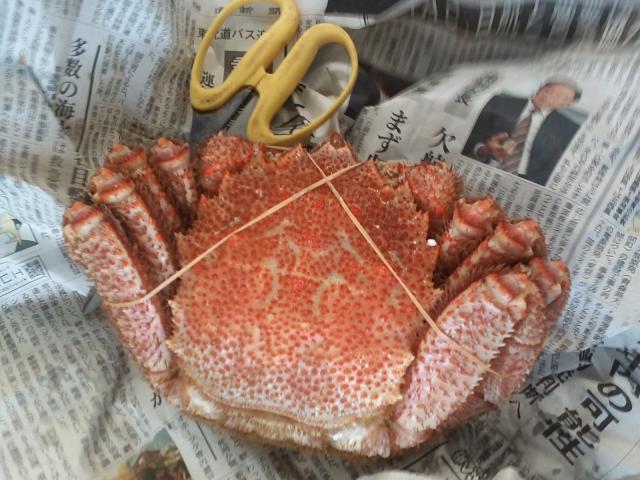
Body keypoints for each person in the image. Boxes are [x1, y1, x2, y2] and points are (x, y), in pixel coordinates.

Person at [462, 79, 583, 185]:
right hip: (484, 167)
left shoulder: (568, 128)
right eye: (548, 90)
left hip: (525, 181)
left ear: (566, 105)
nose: (549, 96)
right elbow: (469, 135)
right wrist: (484, 150)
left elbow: (554, 168)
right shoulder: (500, 102)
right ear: (540, 88)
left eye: (560, 96)